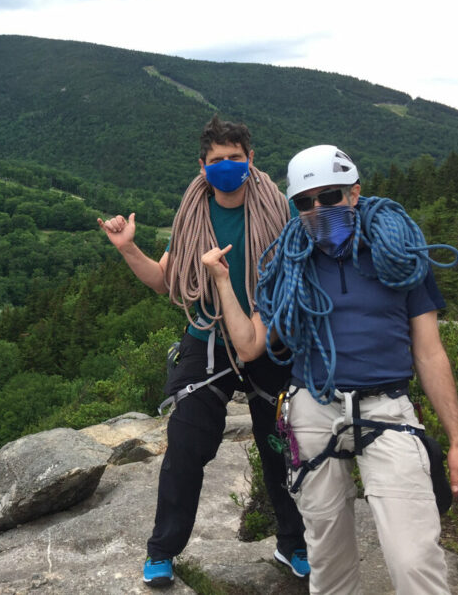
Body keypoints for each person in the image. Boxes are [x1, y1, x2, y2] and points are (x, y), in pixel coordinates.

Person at [202, 144, 458, 593]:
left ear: (354, 193)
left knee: (414, 558)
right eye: (305, 203)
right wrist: (223, 282)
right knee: (326, 555)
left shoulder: (399, 255)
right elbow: (249, 346)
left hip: (386, 408)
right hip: (313, 408)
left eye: (330, 197)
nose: (318, 209)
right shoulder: (289, 265)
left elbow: (429, 352)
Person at [98, 115, 308, 587]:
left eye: (236, 158)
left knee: (281, 445)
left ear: (251, 160)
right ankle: (162, 552)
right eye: (218, 161)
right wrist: (128, 249)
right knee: (187, 442)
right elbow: (165, 281)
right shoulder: (195, 219)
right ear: (202, 165)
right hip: (208, 335)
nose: (228, 167)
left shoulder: (281, 214)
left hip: (269, 334)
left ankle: (293, 544)